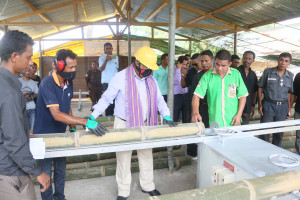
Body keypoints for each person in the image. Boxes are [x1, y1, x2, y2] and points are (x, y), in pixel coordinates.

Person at [91, 46, 177, 200]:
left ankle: (148, 185)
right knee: (123, 157)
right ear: (137, 62)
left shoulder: (151, 80)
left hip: (146, 123)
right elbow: (106, 99)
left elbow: (159, 100)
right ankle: (123, 191)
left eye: (151, 67)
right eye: (146, 66)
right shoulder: (120, 77)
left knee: (146, 154)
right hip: (124, 124)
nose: (149, 70)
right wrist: (93, 116)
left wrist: (167, 115)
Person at [34, 49, 107, 200]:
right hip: (43, 137)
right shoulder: (47, 83)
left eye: (75, 67)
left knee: (61, 169)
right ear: (59, 65)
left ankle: (60, 197)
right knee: (46, 172)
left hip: (61, 135)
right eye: (71, 67)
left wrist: (72, 126)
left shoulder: (69, 82)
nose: (74, 71)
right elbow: (56, 114)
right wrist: (84, 122)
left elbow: (66, 107)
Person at [0, 30, 50, 200]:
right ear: (14, 56)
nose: (30, 63)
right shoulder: (10, 93)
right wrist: (38, 172)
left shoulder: (5, 83)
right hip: (10, 173)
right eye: (28, 58)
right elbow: (13, 141)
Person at [192, 49, 248, 128]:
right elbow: (196, 96)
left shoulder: (236, 74)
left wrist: (239, 115)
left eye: (223, 66)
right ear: (214, 61)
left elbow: (242, 96)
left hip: (234, 121)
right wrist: (195, 113)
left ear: (229, 64)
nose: (219, 68)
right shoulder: (207, 76)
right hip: (215, 123)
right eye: (217, 64)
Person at [257, 52, 294, 147]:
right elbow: (260, 87)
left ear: (289, 63)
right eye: (281, 60)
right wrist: (260, 104)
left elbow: (289, 93)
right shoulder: (268, 72)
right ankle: (262, 153)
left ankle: (275, 155)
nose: (283, 63)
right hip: (268, 105)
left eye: (286, 61)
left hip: (282, 107)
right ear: (278, 60)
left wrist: (289, 109)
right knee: (264, 131)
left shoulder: (290, 75)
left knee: (279, 133)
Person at [187, 50, 214, 158]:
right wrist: (194, 112)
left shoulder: (217, 74)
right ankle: (197, 154)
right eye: (202, 61)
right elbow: (193, 96)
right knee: (201, 130)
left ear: (212, 60)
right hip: (202, 107)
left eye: (206, 61)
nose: (204, 63)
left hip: (215, 108)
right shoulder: (198, 76)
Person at [237, 51, 258, 125]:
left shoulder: (253, 75)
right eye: (245, 58)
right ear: (242, 58)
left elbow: (254, 91)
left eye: (249, 59)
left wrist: (253, 105)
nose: (247, 60)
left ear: (253, 60)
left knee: (244, 128)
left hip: (247, 107)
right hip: (235, 106)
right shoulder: (236, 71)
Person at [181, 53, 202, 124]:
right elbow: (184, 85)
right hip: (190, 100)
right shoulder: (191, 71)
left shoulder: (208, 73)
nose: (194, 66)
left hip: (203, 103)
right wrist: (183, 76)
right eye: (192, 64)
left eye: (196, 64)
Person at [99, 42, 119, 116]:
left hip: (114, 81)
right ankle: (108, 114)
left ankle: (112, 113)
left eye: (110, 48)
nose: (108, 50)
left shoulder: (116, 57)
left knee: (114, 98)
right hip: (106, 82)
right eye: (107, 49)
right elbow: (100, 69)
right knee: (108, 99)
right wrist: (106, 60)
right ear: (104, 50)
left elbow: (117, 69)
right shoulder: (101, 57)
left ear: (112, 49)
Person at [173, 56, 188, 122]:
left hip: (185, 95)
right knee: (175, 116)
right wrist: (178, 70)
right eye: (183, 64)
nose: (185, 66)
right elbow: (175, 81)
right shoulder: (172, 69)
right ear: (179, 63)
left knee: (186, 116)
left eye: (186, 64)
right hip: (177, 96)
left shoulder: (186, 69)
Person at [292, 71, 300, 155]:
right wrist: (289, 108)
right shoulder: (298, 76)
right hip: (299, 111)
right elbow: (293, 94)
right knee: (299, 136)